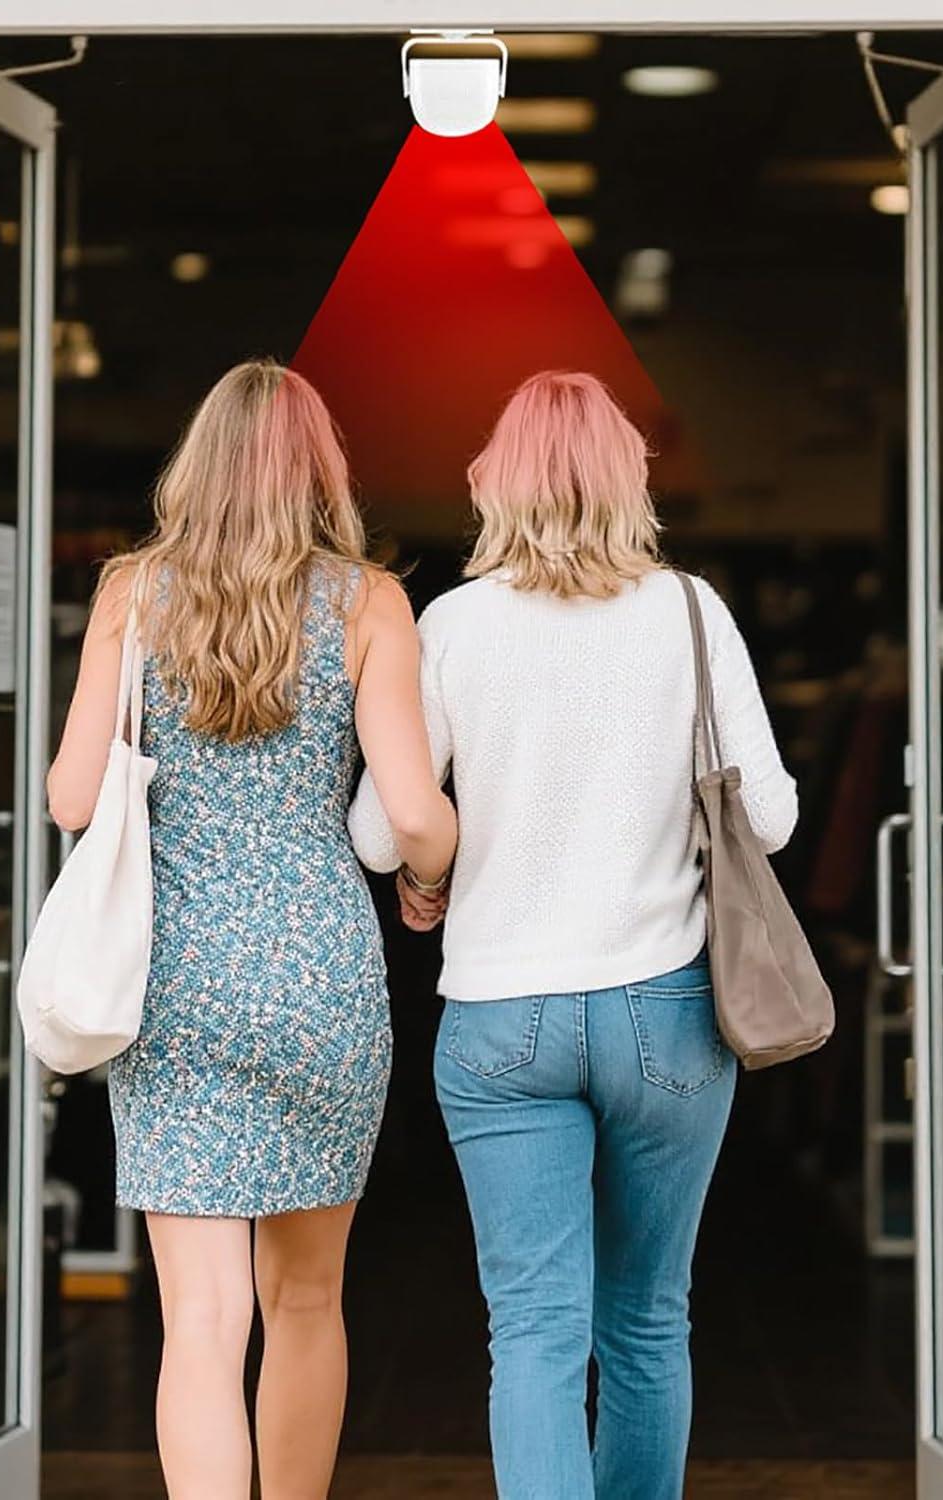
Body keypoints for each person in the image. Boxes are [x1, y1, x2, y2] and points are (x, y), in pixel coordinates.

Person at [348, 370, 798, 1500]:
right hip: (670, 1014)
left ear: (497, 481)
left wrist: (441, 865)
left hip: (502, 1021)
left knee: (535, 1334)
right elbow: (777, 819)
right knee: (648, 1321)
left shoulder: (453, 623)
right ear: (628, 481)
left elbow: (375, 828)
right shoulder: (691, 612)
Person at [47, 359, 457, 1500]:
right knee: (309, 1300)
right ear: (317, 471)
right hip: (322, 979)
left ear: (198, 467)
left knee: (204, 1323)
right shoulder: (369, 600)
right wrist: (433, 873)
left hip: (173, 982)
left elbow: (73, 800)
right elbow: (415, 811)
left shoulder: (134, 593)